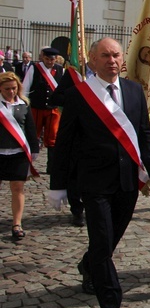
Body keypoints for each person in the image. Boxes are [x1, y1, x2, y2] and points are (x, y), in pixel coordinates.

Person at [53, 37, 150, 308]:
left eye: (116, 55)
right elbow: (64, 142)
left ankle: (88, 265)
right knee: (103, 243)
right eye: (104, 56)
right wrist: (58, 184)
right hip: (94, 183)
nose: (111, 61)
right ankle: (112, 307)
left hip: (127, 182)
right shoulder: (79, 95)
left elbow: (143, 133)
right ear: (92, 60)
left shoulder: (133, 91)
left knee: (111, 238)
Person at [49, 53, 96, 227]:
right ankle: (77, 210)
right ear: (93, 57)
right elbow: (56, 98)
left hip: (98, 132)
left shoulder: (107, 76)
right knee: (75, 172)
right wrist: (77, 96)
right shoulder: (73, 75)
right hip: (77, 130)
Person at [0, 72, 39, 240]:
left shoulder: (23, 104)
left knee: (17, 188)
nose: (11, 92)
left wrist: (34, 149)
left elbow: (30, 128)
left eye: (14, 88)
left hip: (18, 154)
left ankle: (17, 224)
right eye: (7, 89)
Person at [22, 47, 64, 171]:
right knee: (33, 135)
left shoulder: (60, 70)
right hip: (36, 108)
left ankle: (51, 166)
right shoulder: (34, 68)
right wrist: (25, 106)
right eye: (47, 59)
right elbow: (25, 88)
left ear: (56, 59)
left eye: (52, 59)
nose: (49, 62)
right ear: (43, 58)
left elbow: (62, 88)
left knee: (52, 138)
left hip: (53, 109)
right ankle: (28, 164)